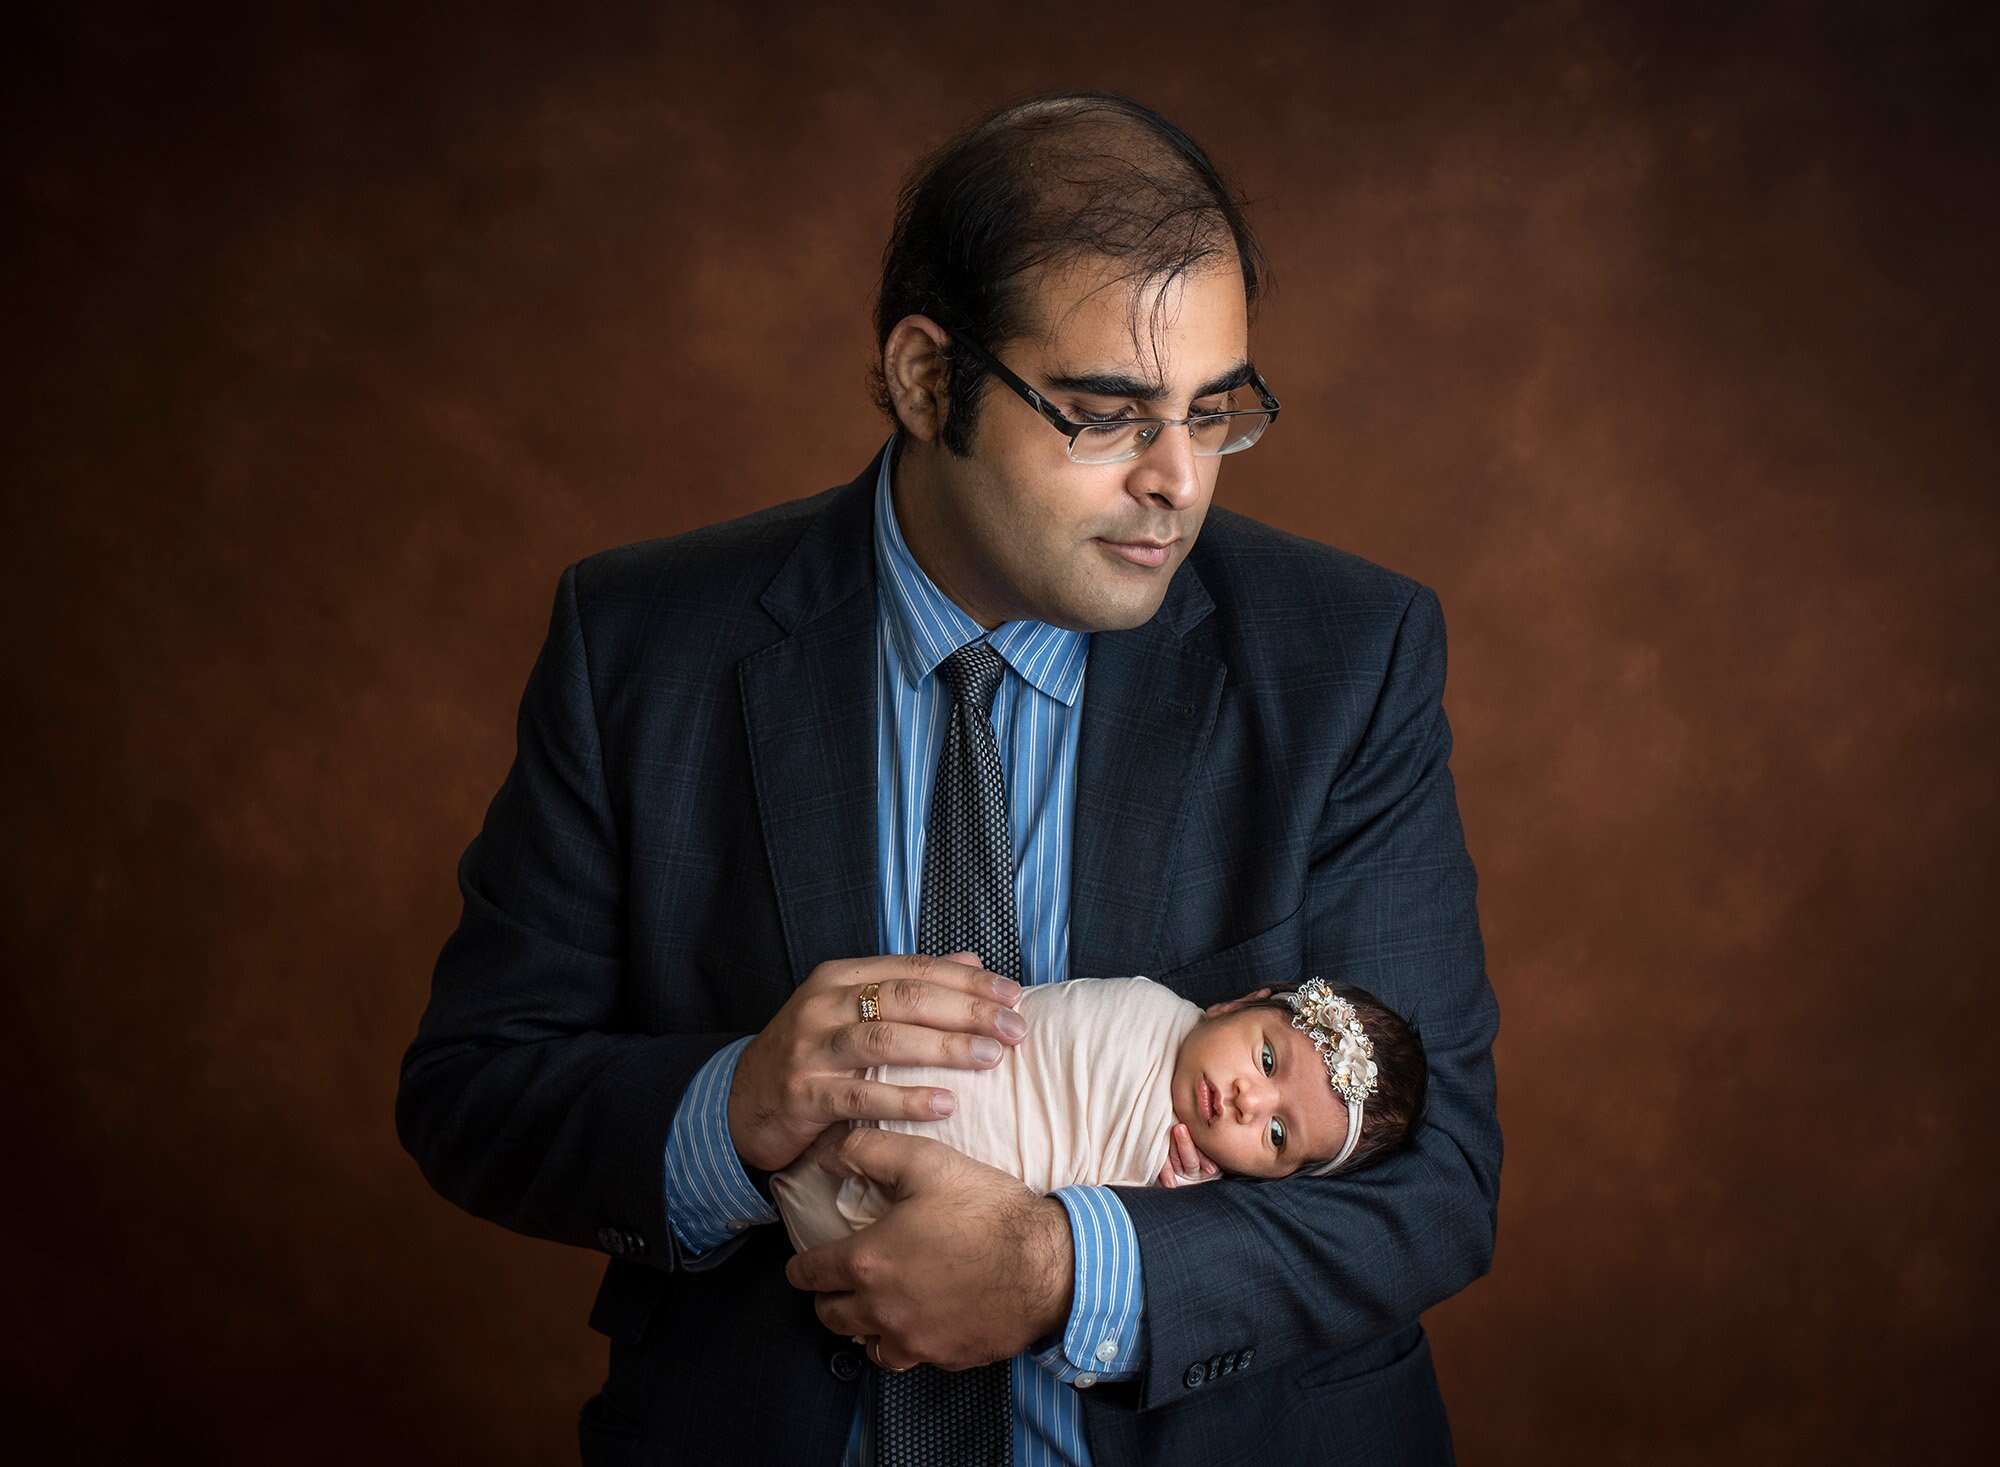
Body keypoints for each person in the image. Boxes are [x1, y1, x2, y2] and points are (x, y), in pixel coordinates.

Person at [396, 88, 1501, 1466]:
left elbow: (1436, 1179)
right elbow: (476, 1089)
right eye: (1106, 413)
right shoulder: (637, 643)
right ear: (928, 380)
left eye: (1213, 411)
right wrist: (733, 1106)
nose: (1180, 480)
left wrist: (1061, 1268)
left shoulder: (1346, 656)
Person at [770, 972, 1430, 1255]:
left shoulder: (1184, 1184)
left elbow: (1084, 1228)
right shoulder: (1143, 1005)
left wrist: (1167, 1202)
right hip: (882, 1077)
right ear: (1235, 1004)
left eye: (1276, 1134)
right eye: (1265, 1059)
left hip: (893, 1231)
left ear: (1274, 1178)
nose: (1246, 1101)